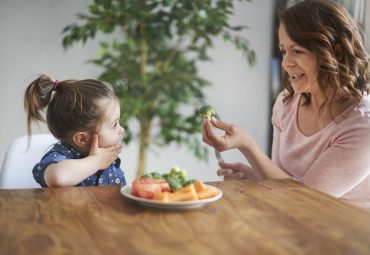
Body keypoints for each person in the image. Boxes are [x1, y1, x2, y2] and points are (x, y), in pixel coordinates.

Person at [202, 0, 370, 207]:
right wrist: (252, 175)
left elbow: (307, 200)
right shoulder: (286, 103)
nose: (285, 63)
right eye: (283, 50)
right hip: (298, 221)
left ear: (336, 53)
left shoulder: (362, 125)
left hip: (342, 233)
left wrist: (247, 145)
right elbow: (285, 181)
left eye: (297, 51)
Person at [24, 75, 126, 187]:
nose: (122, 130)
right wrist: (96, 161)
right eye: (114, 125)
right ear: (82, 139)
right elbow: (57, 177)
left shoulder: (108, 160)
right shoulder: (62, 156)